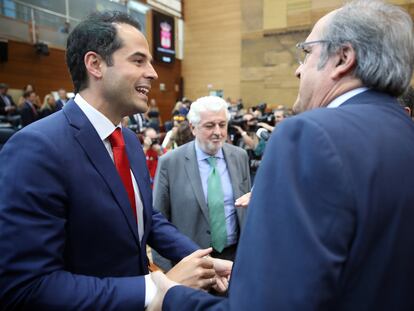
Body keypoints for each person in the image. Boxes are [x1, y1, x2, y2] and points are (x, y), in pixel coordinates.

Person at [148, 1, 414, 310]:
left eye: (307, 52)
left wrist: (171, 296)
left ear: (343, 58)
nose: (298, 69)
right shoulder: (404, 131)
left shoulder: (308, 136)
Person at [0, 11, 231, 311]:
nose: (153, 73)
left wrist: (202, 261)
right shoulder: (37, 148)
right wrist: (154, 288)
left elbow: (145, 218)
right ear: (95, 64)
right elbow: (27, 286)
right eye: (138, 61)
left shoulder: (129, 141)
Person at [152, 96, 251, 271]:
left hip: (236, 258)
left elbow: (246, 210)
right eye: (209, 125)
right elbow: (158, 219)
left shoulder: (240, 156)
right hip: (191, 262)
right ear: (193, 128)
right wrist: (170, 274)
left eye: (222, 124)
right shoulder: (170, 162)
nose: (218, 132)